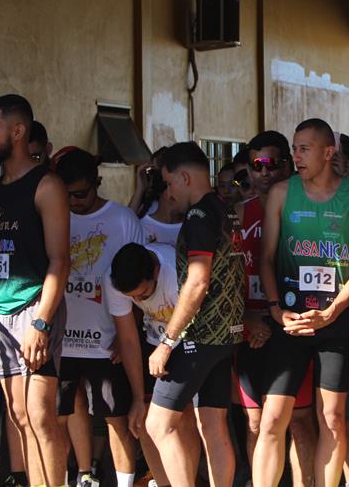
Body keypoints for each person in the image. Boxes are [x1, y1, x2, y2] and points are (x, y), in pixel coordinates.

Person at [253, 118, 349, 487]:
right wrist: (276, 309)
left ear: (328, 151)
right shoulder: (280, 193)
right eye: (294, 148)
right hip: (289, 319)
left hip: (336, 322)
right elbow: (267, 258)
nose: (297, 156)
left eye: (304, 148)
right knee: (273, 417)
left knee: (333, 418)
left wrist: (334, 310)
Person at [145, 141, 245, 487]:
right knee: (213, 426)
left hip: (199, 337)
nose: (168, 193)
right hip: (225, 337)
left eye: (170, 183)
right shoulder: (224, 208)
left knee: (157, 424)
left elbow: (198, 281)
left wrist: (167, 341)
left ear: (185, 177)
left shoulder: (200, 216)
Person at [0, 94, 70, 487]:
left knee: (40, 414)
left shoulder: (47, 185)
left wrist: (41, 322)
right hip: (0, 312)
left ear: (17, 132)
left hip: (36, 308)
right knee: (18, 415)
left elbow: (60, 261)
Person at [55, 149, 146, 487]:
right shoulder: (54, 216)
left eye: (81, 193)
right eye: (67, 195)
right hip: (62, 339)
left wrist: (129, 338)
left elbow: (142, 288)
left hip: (107, 341)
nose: (74, 201)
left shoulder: (123, 220)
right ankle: (80, 474)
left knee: (115, 418)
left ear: (98, 182)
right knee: (64, 412)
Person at [231, 133, 318, 487]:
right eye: (256, 165)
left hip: (294, 324)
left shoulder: (307, 208)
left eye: (271, 164)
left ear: (287, 164)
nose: (263, 172)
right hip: (249, 326)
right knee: (255, 422)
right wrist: (247, 319)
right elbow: (227, 278)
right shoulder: (237, 213)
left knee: (298, 421)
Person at [107, 242, 201, 487]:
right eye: (133, 298)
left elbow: (196, 324)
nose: (139, 300)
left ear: (156, 271)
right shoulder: (115, 281)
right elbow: (128, 339)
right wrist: (138, 398)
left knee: (184, 417)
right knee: (145, 417)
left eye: (144, 293)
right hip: (153, 342)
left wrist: (167, 347)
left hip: (190, 340)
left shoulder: (174, 273)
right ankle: (163, 483)